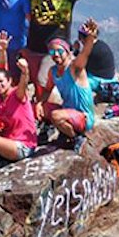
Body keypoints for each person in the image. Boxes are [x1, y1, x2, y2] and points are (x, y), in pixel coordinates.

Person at [15, 0, 87, 97]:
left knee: (42, 80)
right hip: (34, 47)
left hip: (55, 50)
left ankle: (42, 107)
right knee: (23, 79)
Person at [35, 18, 99, 154]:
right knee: (43, 108)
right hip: (68, 112)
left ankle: (76, 138)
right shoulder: (53, 71)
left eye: (59, 51)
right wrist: (40, 103)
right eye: (52, 52)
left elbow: (85, 54)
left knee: (56, 115)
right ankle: (52, 130)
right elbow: (47, 90)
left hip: (83, 117)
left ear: (67, 51)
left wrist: (90, 38)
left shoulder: (75, 68)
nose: (56, 55)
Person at [74, 22, 118, 98]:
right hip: (110, 78)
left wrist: (76, 51)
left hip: (101, 81)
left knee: (74, 81)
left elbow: (79, 66)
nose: (80, 40)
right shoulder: (100, 45)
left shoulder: (91, 50)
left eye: (80, 37)